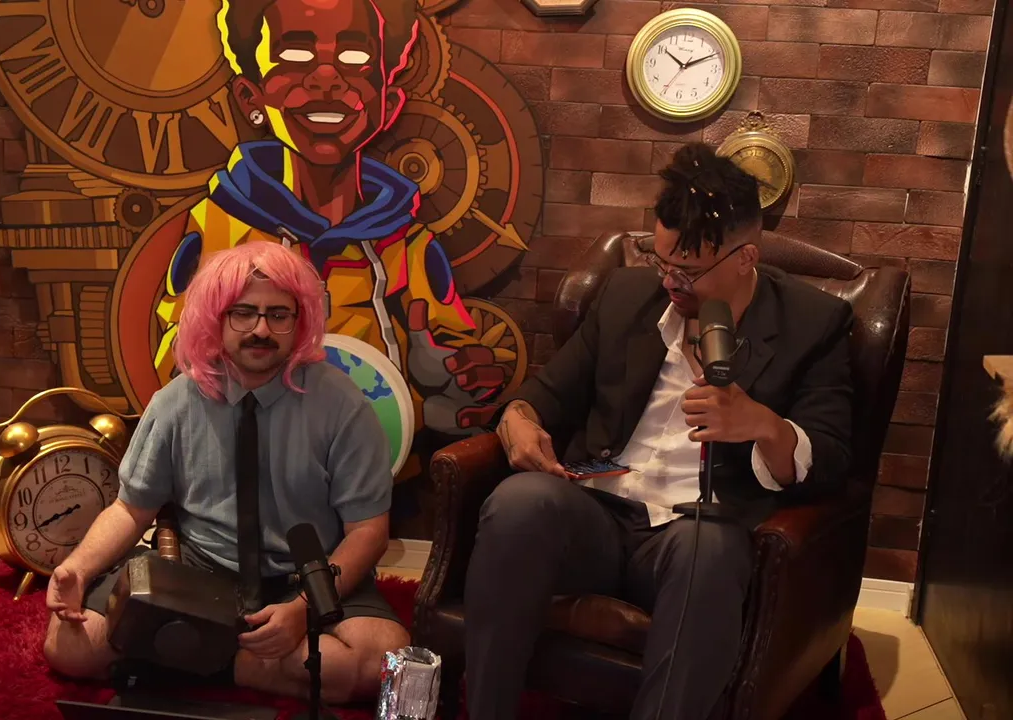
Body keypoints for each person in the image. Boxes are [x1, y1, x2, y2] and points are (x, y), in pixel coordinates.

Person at [464, 142, 855, 720]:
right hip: (596, 511)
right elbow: (544, 396)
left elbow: (833, 459)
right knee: (519, 502)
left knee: (706, 552)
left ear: (745, 257)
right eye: (662, 260)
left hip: (693, 532)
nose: (671, 280)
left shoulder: (812, 323)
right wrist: (517, 421)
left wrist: (764, 425)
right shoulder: (626, 296)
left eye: (689, 271)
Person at [114, 0, 508, 441]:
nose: (326, 78)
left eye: (355, 57)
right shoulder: (221, 226)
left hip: (378, 464)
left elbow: (447, 354)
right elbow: (180, 361)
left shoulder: (406, 242)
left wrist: (451, 380)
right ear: (251, 98)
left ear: (387, 101)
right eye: (295, 55)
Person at [43, 242, 410, 703]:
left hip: (306, 576)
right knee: (70, 646)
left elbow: (368, 532)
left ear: (300, 321)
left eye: (279, 314)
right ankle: (246, 663)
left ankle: (188, 655)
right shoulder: (174, 403)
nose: (262, 329)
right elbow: (131, 509)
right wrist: (77, 569)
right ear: (216, 318)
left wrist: (303, 609)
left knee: (384, 664)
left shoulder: (343, 406)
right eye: (243, 313)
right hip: (197, 574)